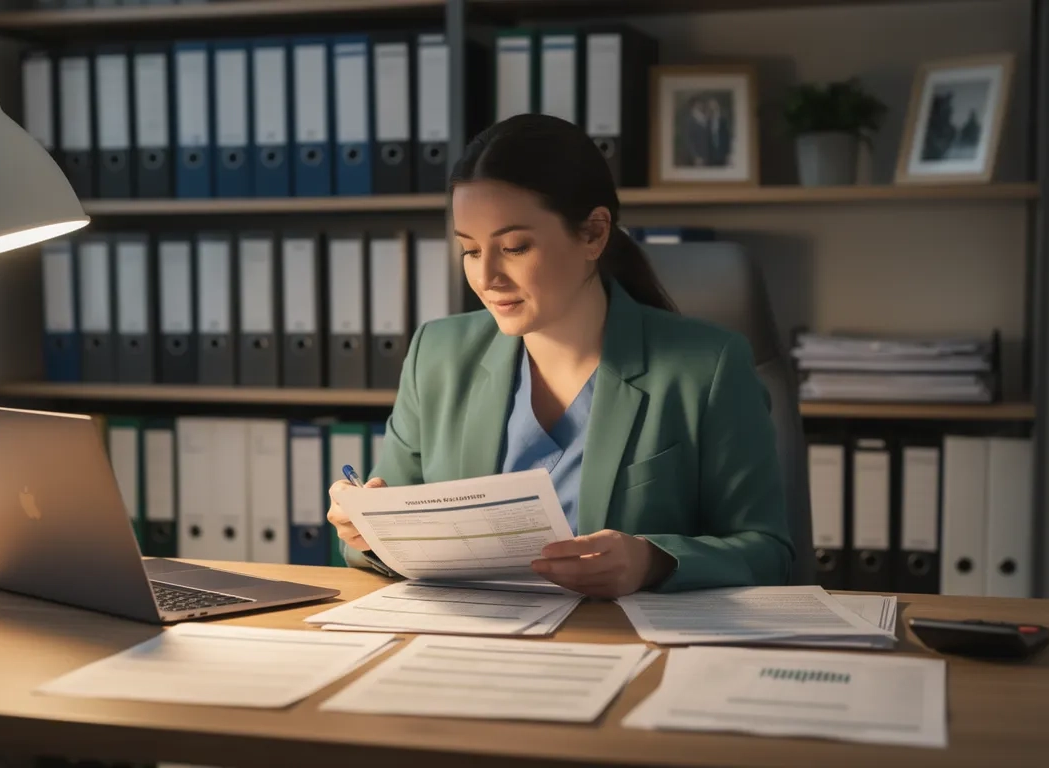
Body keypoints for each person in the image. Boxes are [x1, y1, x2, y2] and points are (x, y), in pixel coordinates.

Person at [326, 113, 794, 598]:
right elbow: (378, 540)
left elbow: (768, 552)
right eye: (469, 251)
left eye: (513, 247)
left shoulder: (707, 367)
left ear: (593, 233)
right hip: (473, 644)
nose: (487, 277)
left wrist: (653, 560)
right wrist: (367, 532)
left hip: (625, 648)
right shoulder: (437, 356)